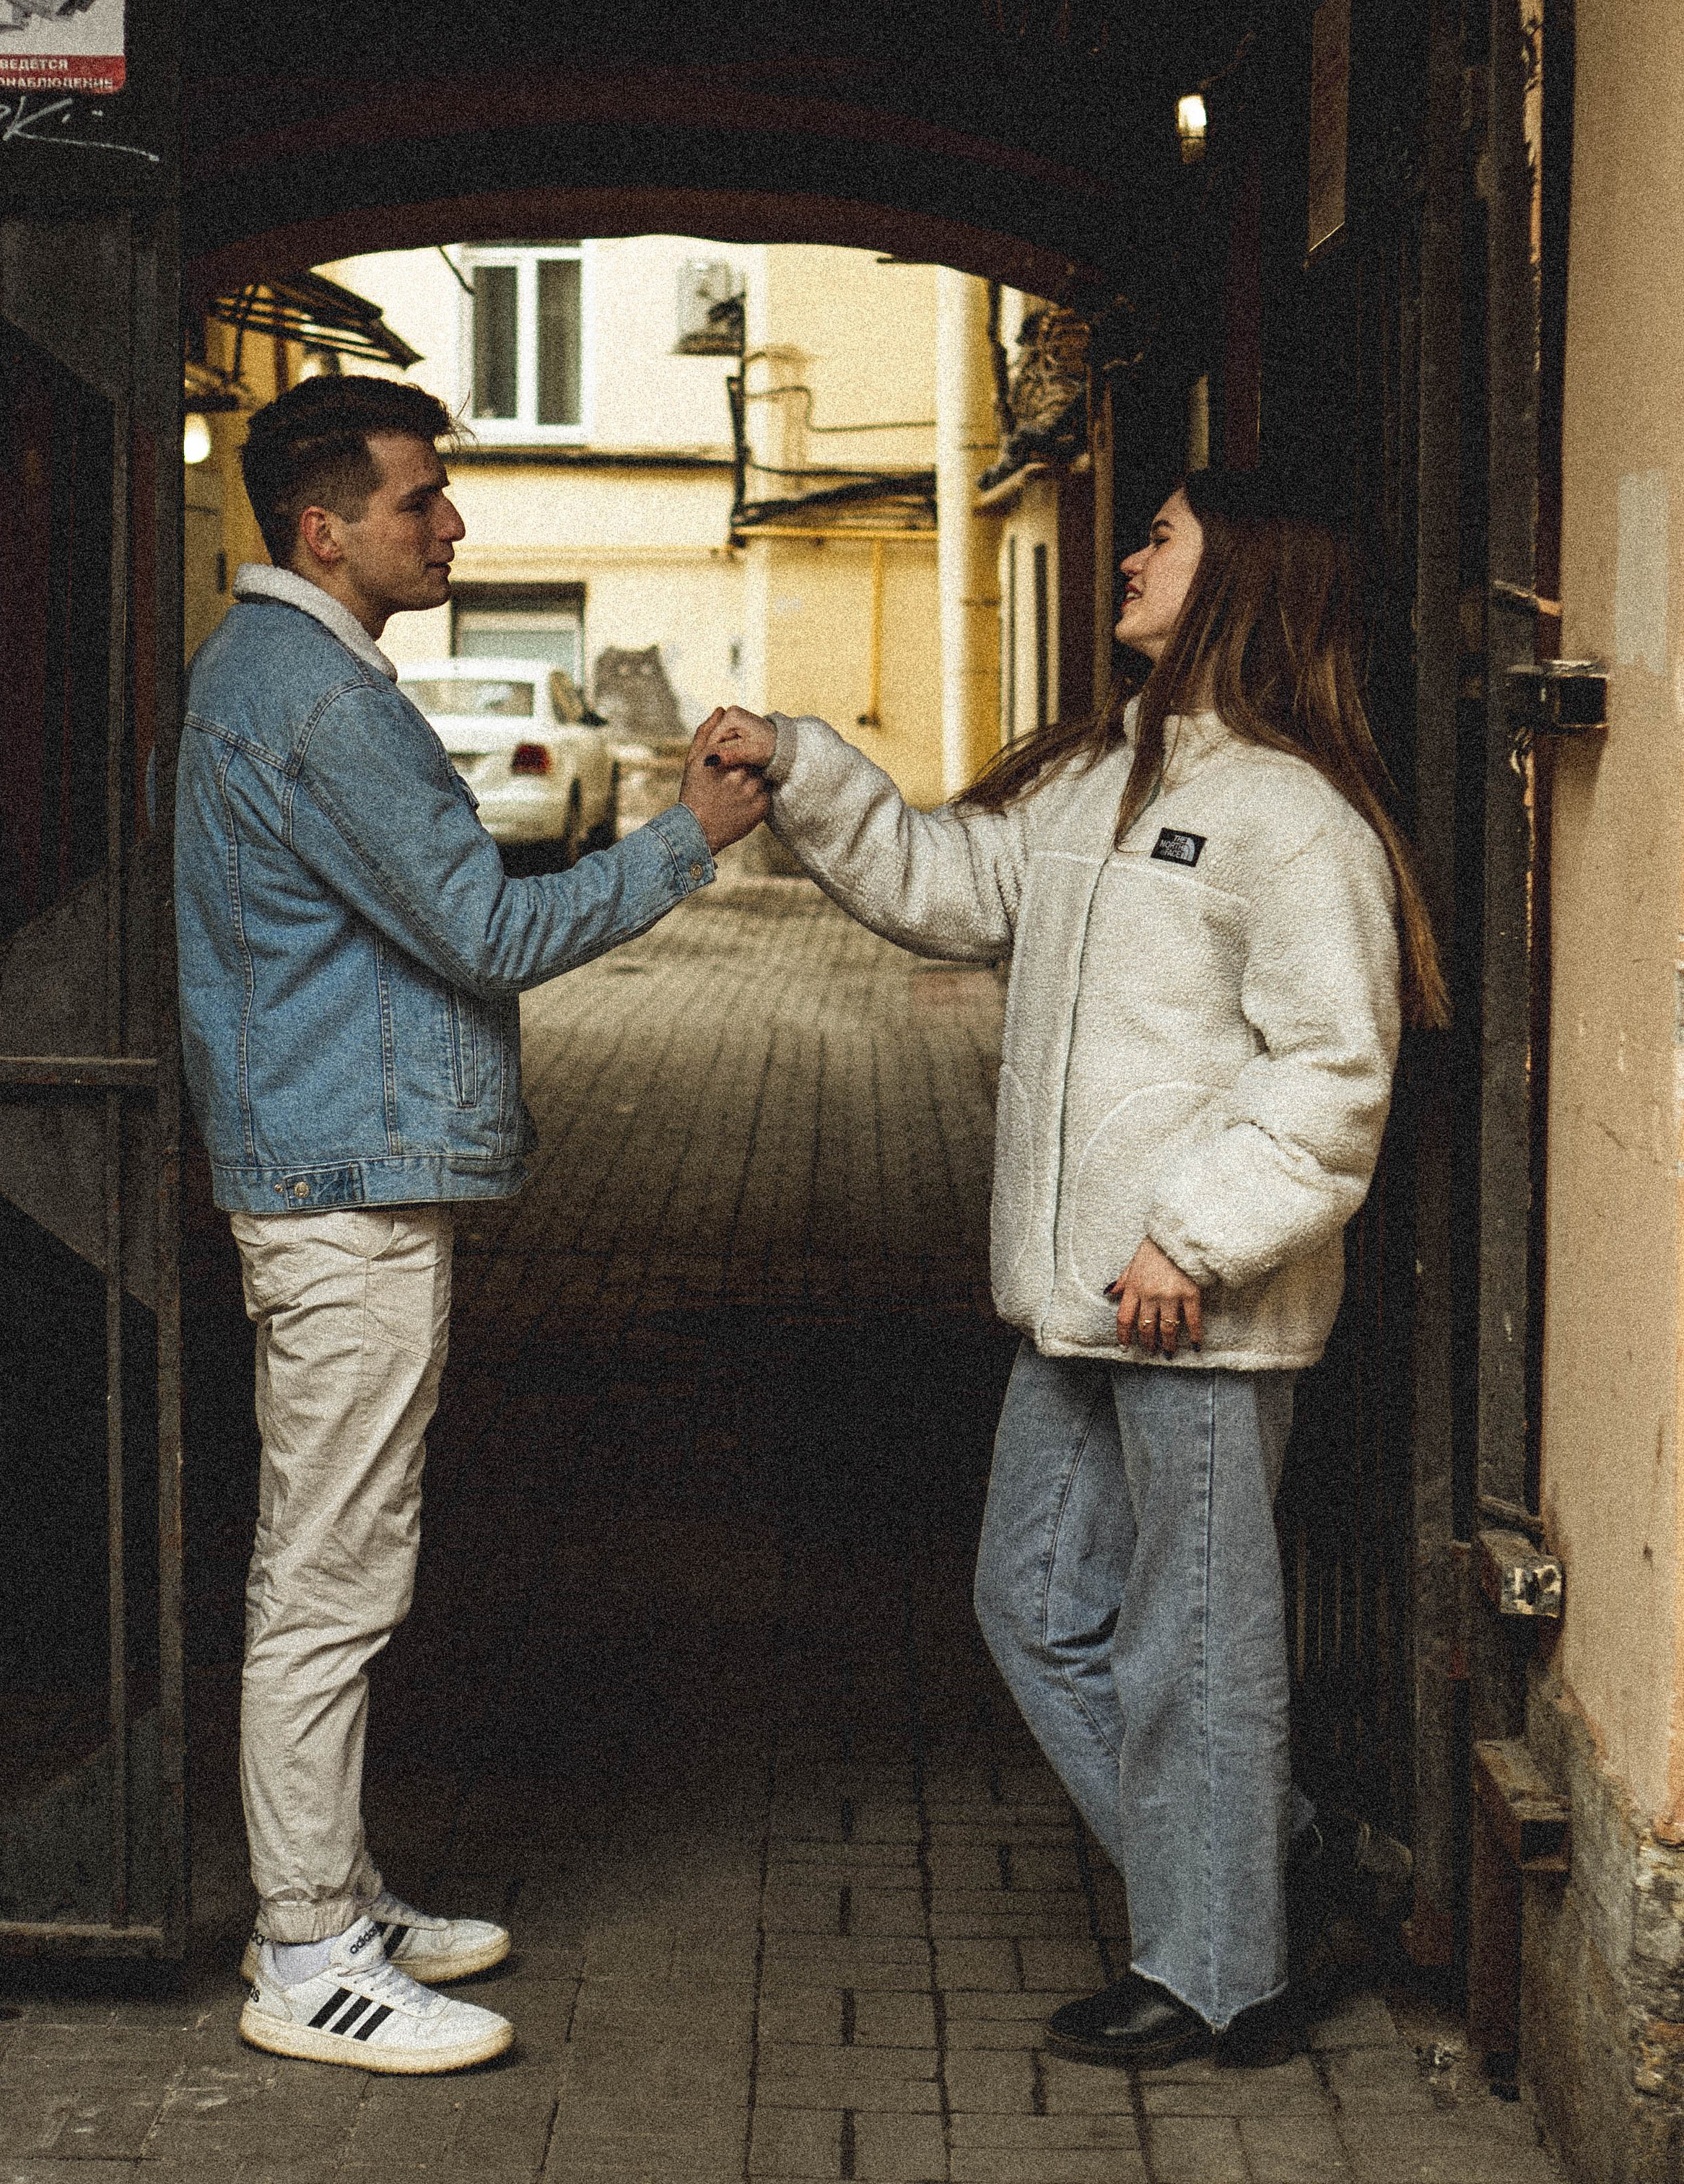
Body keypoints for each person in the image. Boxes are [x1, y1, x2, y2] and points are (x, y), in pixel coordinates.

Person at [705, 465, 1447, 2069]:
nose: (1125, 554)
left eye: (1160, 538)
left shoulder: (1288, 815)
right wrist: (802, 765)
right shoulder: (1107, 779)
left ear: (1240, 578)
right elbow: (947, 885)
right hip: (1073, 1303)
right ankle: (1285, 1864)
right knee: (1032, 1606)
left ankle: (1222, 1973)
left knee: (1191, 1647)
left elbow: (1331, 1072)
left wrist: (1191, 1234)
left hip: (1191, 1307)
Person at [176, 374, 767, 2074]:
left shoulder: (274, 671)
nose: (453, 524)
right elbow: (485, 937)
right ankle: (304, 1956)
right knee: (332, 1571)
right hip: (342, 1188)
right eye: (422, 501)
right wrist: (686, 838)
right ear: (325, 529)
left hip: (333, 1167)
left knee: (339, 1548)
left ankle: (337, 1893)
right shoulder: (322, 704)